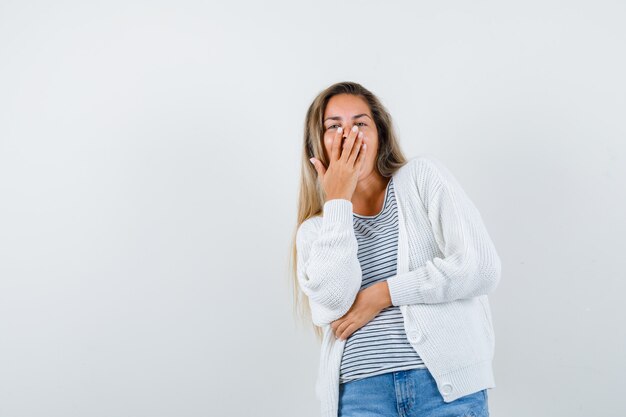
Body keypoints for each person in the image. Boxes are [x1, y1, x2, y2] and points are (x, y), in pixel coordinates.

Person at [290, 81, 501, 417]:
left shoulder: (421, 178)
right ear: (318, 144)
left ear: (380, 136)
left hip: (443, 391)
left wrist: (384, 293)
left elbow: (480, 268)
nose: (349, 135)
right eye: (334, 126)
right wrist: (338, 202)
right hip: (361, 395)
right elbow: (331, 303)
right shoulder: (316, 230)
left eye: (360, 123)